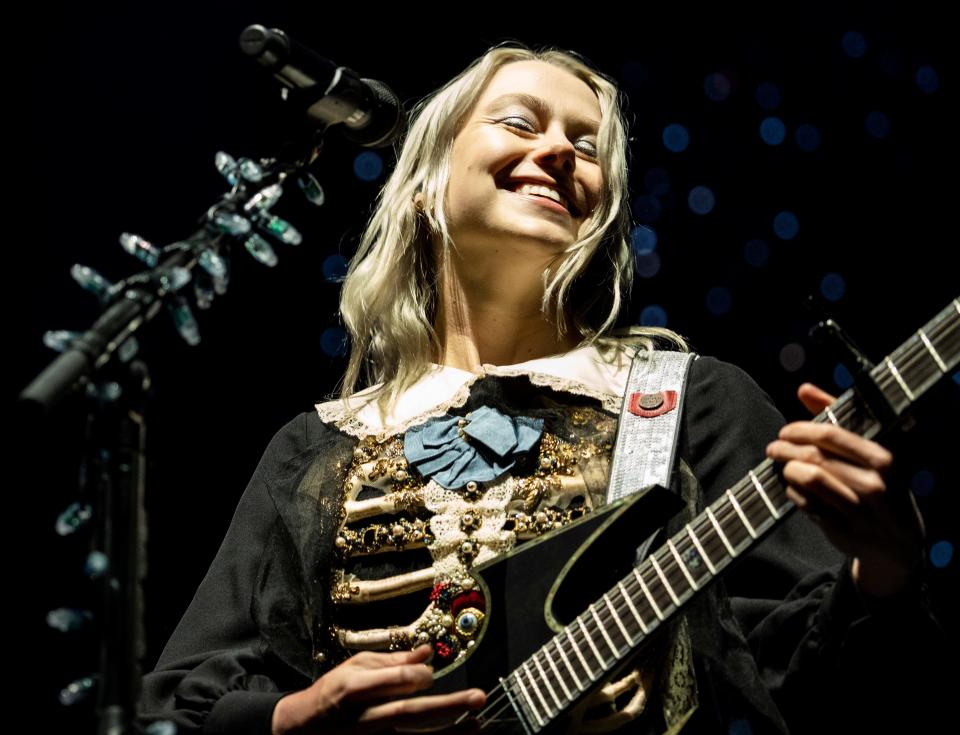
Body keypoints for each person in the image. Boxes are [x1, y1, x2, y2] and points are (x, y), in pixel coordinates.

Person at [137, 43, 940, 735]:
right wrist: (288, 717)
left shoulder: (689, 402)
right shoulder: (319, 446)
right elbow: (176, 704)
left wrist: (886, 574)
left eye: (587, 146)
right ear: (425, 181)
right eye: (521, 124)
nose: (560, 151)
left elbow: (816, 690)